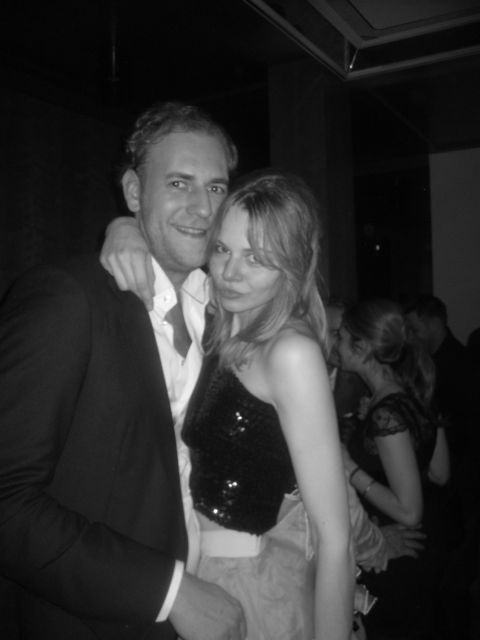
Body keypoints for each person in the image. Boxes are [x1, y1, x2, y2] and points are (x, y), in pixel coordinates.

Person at [0, 101, 247, 640]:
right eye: (179, 183)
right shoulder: (69, 299)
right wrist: (169, 591)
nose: (203, 208)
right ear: (134, 192)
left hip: (212, 599)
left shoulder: (221, 308)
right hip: (91, 621)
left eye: (216, 187)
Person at [102, 169, 356, 639]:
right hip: (202, 569)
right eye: (222, 249)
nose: (230, 273)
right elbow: (164, 248)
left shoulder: (291, 353)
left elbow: (335, 539)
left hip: (253, 587)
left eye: (257, 258)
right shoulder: (225, 319)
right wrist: (123, 227)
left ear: (294, 264)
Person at [337, 298, 450, 639]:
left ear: (361, 347)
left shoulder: (387, 412)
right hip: (415, 552)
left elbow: (410, 512)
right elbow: (439, 473)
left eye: (341, 337)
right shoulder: (409, 397)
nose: (336, 345)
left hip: (396, 557)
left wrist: (350, 468)